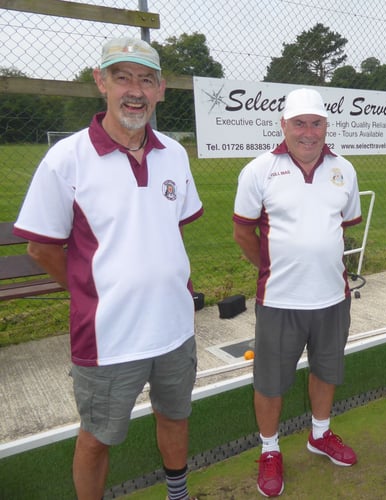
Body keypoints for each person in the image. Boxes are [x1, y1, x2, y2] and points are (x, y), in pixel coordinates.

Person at [12, 38, 203, 499]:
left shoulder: (173, 155)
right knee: (97, 436)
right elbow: (41, 249)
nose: (134, 90)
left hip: (175, 326)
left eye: (146, 79)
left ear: (160, 91)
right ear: (101, 82)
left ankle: (177, 494)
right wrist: (90, 291)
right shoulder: (67, 158)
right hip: (109, 335)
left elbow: (171, 228)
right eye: (122, 77)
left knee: (175, 416)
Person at [233, 87, 362, 497]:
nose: (309, 132)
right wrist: (273, 268)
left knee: (327, 371)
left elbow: (344, 225)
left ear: (327, 125)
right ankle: (270, 450)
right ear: (283, 125)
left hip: (332, 297)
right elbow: (243, 232)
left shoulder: (344, 169)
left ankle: (319, 435)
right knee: (270, 382)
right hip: (280, 300)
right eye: (300, 123)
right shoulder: (258, 170)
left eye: (317, 123)